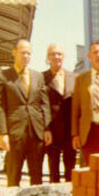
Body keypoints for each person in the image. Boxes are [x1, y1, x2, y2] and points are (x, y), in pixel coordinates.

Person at [0, 39, 52, 186]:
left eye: (28, 53)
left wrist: (47, 128)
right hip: (15, 133)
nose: (26, 56)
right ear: (14, 53)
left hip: (36, 132)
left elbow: (44, 103)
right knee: (13, 176)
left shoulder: (38, 77)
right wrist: (2, 133)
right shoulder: (3, 76)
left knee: (37, 177)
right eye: (22, 53)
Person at [43, 43, 76, 182]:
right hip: (52, 131)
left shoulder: (74, 77)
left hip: (70, 131)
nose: (56, 57)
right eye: (52, 54)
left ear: (64, 57)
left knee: (71, 169)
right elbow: (39, 106)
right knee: (53, 170)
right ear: (47, 57)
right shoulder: (41, 78)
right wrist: (46, 129)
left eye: (59, 54)